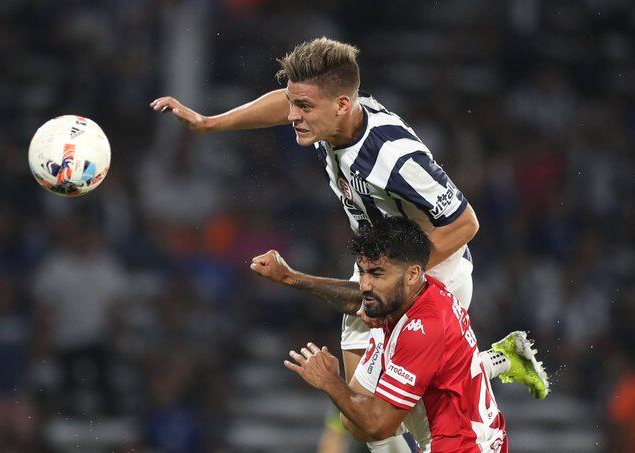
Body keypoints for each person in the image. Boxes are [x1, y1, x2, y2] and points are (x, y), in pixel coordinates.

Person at [151, 37, 548, 451]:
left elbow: (465, 223)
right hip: (381, 267)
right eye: (293, 103)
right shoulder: (337, 114)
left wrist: (398, 280)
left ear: (341, 105)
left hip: (428, 273)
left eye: (303, 108)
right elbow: (285, 100)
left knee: (379, 417)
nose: (293, 116)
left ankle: (488, 370)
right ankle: (499, 360)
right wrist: (208, 123)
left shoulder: (394, 158)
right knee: (357, 416)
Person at [285, 217, 508, 452]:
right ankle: (496, 360)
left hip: (461, 447)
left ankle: (495, 361)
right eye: (362, 273)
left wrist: (329, 380)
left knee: (368, 422)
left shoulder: (422, 328)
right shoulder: (417, 296)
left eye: (377, 274)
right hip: (471, 437)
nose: (365, 285)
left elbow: (378, 425)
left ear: (412, 275)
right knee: (356, 419)